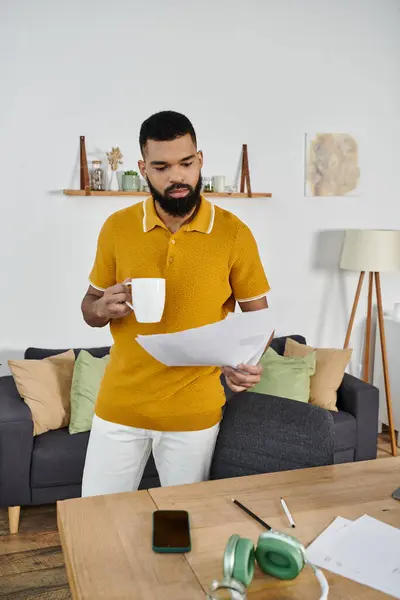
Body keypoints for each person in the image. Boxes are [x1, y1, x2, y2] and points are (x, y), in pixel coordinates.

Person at [80, 110, 270, 497]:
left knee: (185, 527)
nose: (176, 176)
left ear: (199, 161)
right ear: (143, 168)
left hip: (193, 413)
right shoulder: (117, 227)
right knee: (96, 519)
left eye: (185, 163)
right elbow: (89, 306)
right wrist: (100, 309)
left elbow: (259, 321)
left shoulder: (234, 233)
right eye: (161, 166)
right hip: (119, 407)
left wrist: (245, 363)